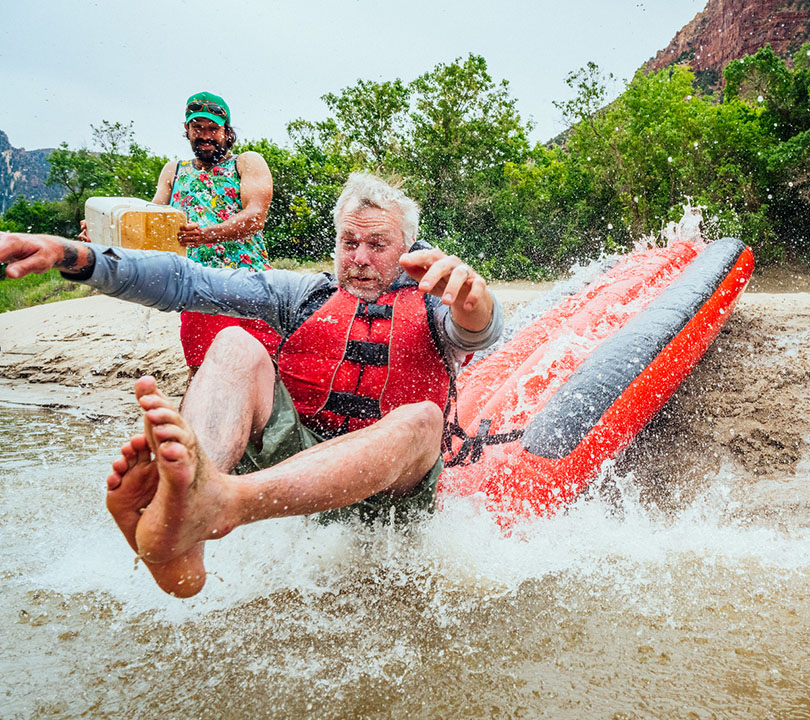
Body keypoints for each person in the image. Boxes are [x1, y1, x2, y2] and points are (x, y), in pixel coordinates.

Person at [1, 173, 503, 598]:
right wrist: (76, 257)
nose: (360, 258)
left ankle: (227, 503)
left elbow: (478, 328)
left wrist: (471, 294)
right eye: (349, 243)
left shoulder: (436, 304)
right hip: (298, 464)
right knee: (235, 344)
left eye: (377, 245)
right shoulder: (303, 295)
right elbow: (186, 281)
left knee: (422, 419)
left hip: (389, 492)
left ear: (407, 248)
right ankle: (188, 507)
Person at [81, 92, 281, 370]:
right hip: (198, 287)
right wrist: (101, 237)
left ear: (227, 131)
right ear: (186, 129)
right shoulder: (173, 171)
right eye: (198, 127)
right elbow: (145, 226)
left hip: (251, 284)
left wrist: (205, 235)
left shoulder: (246, 162)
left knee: (266, 368)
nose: (206, 135)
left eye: (214, 128)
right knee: (203, 372)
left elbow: (255, 218)